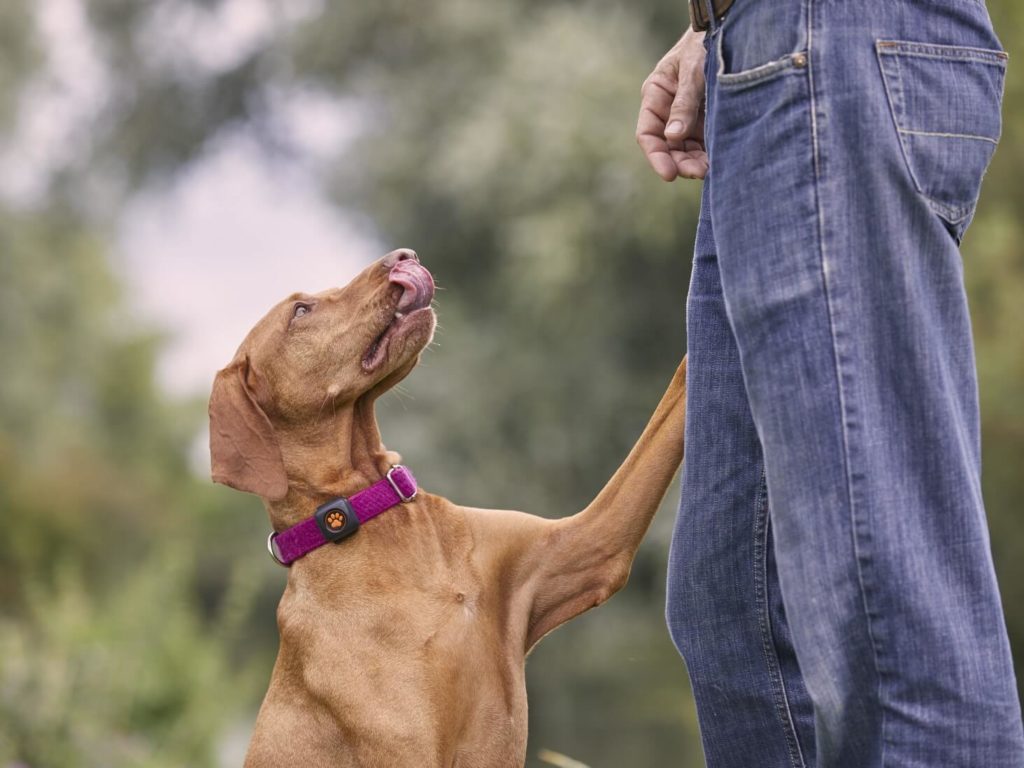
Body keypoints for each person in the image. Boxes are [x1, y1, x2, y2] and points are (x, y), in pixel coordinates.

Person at [637, 0, 1024, 765]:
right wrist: (713, 28)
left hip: (828, 46)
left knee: (886, 630)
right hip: (765, 51)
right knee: (737, 615)